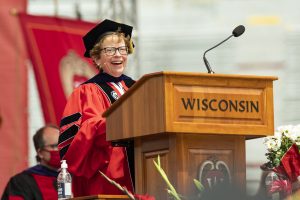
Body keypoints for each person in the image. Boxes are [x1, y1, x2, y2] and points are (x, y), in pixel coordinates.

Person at [58, 19, 135, 197]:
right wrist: (119, 122)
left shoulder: (138, 88)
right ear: (96, 58)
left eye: (123, 49)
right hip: (107, 178)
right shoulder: (85, 92)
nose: (118, 55)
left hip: (144, 171)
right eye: (110, 50)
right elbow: (77, 140)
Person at [1, 124, 60, 200]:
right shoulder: (21, 182)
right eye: (54, 146)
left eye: (62, 145)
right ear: (40, 153)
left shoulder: (73, 177)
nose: (60, 149)